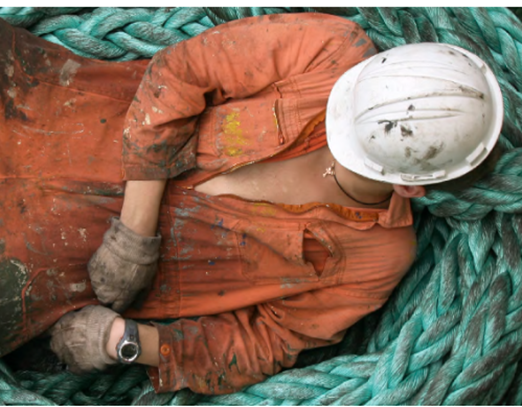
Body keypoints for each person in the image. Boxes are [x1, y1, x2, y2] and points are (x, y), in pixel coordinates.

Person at [0, 12, 503, 395]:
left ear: (412, 188)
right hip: (34, 99)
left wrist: (124, 340)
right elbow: (183, 69)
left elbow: (266, 342)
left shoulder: (374, 257)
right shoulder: (333, 50)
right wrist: (135, 229)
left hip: (28, 273)